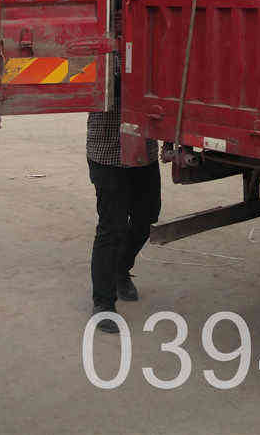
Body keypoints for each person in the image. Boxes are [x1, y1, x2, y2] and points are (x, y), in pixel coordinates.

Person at [87, 64, 161, 334]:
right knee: (112, 227)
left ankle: (120, 268)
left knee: (147, 217)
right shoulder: (102, 48)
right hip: (107, 151)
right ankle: (103, 302)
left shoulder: (150, 46)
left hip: (142, 149)